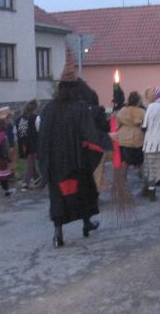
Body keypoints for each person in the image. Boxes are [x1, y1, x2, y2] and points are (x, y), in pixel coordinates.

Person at [38, 56, 109, 248]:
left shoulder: (48, 109)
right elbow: (90, 133)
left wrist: (44, 163)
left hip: (56, 163)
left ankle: (58, 233)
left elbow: (42, 137)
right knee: (84, 192)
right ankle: (86, 223)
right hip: (78, 161)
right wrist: (105, 142)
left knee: (58, 197)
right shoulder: (79, 108)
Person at [114, 91, 145, 181]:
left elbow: (118, 124)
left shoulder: (122, 110)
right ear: (138, 101)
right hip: (137, 138)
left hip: (123, 138)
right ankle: (143, 176)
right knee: (140, 159)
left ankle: (123, 178)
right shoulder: (141, 111)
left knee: (125, 161)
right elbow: (144, 124)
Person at [15, 100, 40, 191]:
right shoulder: (35, 118)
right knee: (30, 163)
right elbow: (39, 130)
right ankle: (25, 183)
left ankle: (37, 178)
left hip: (23, 144)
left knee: (30, 162)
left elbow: (22, 134)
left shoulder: (21, 119)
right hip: (33, 144)